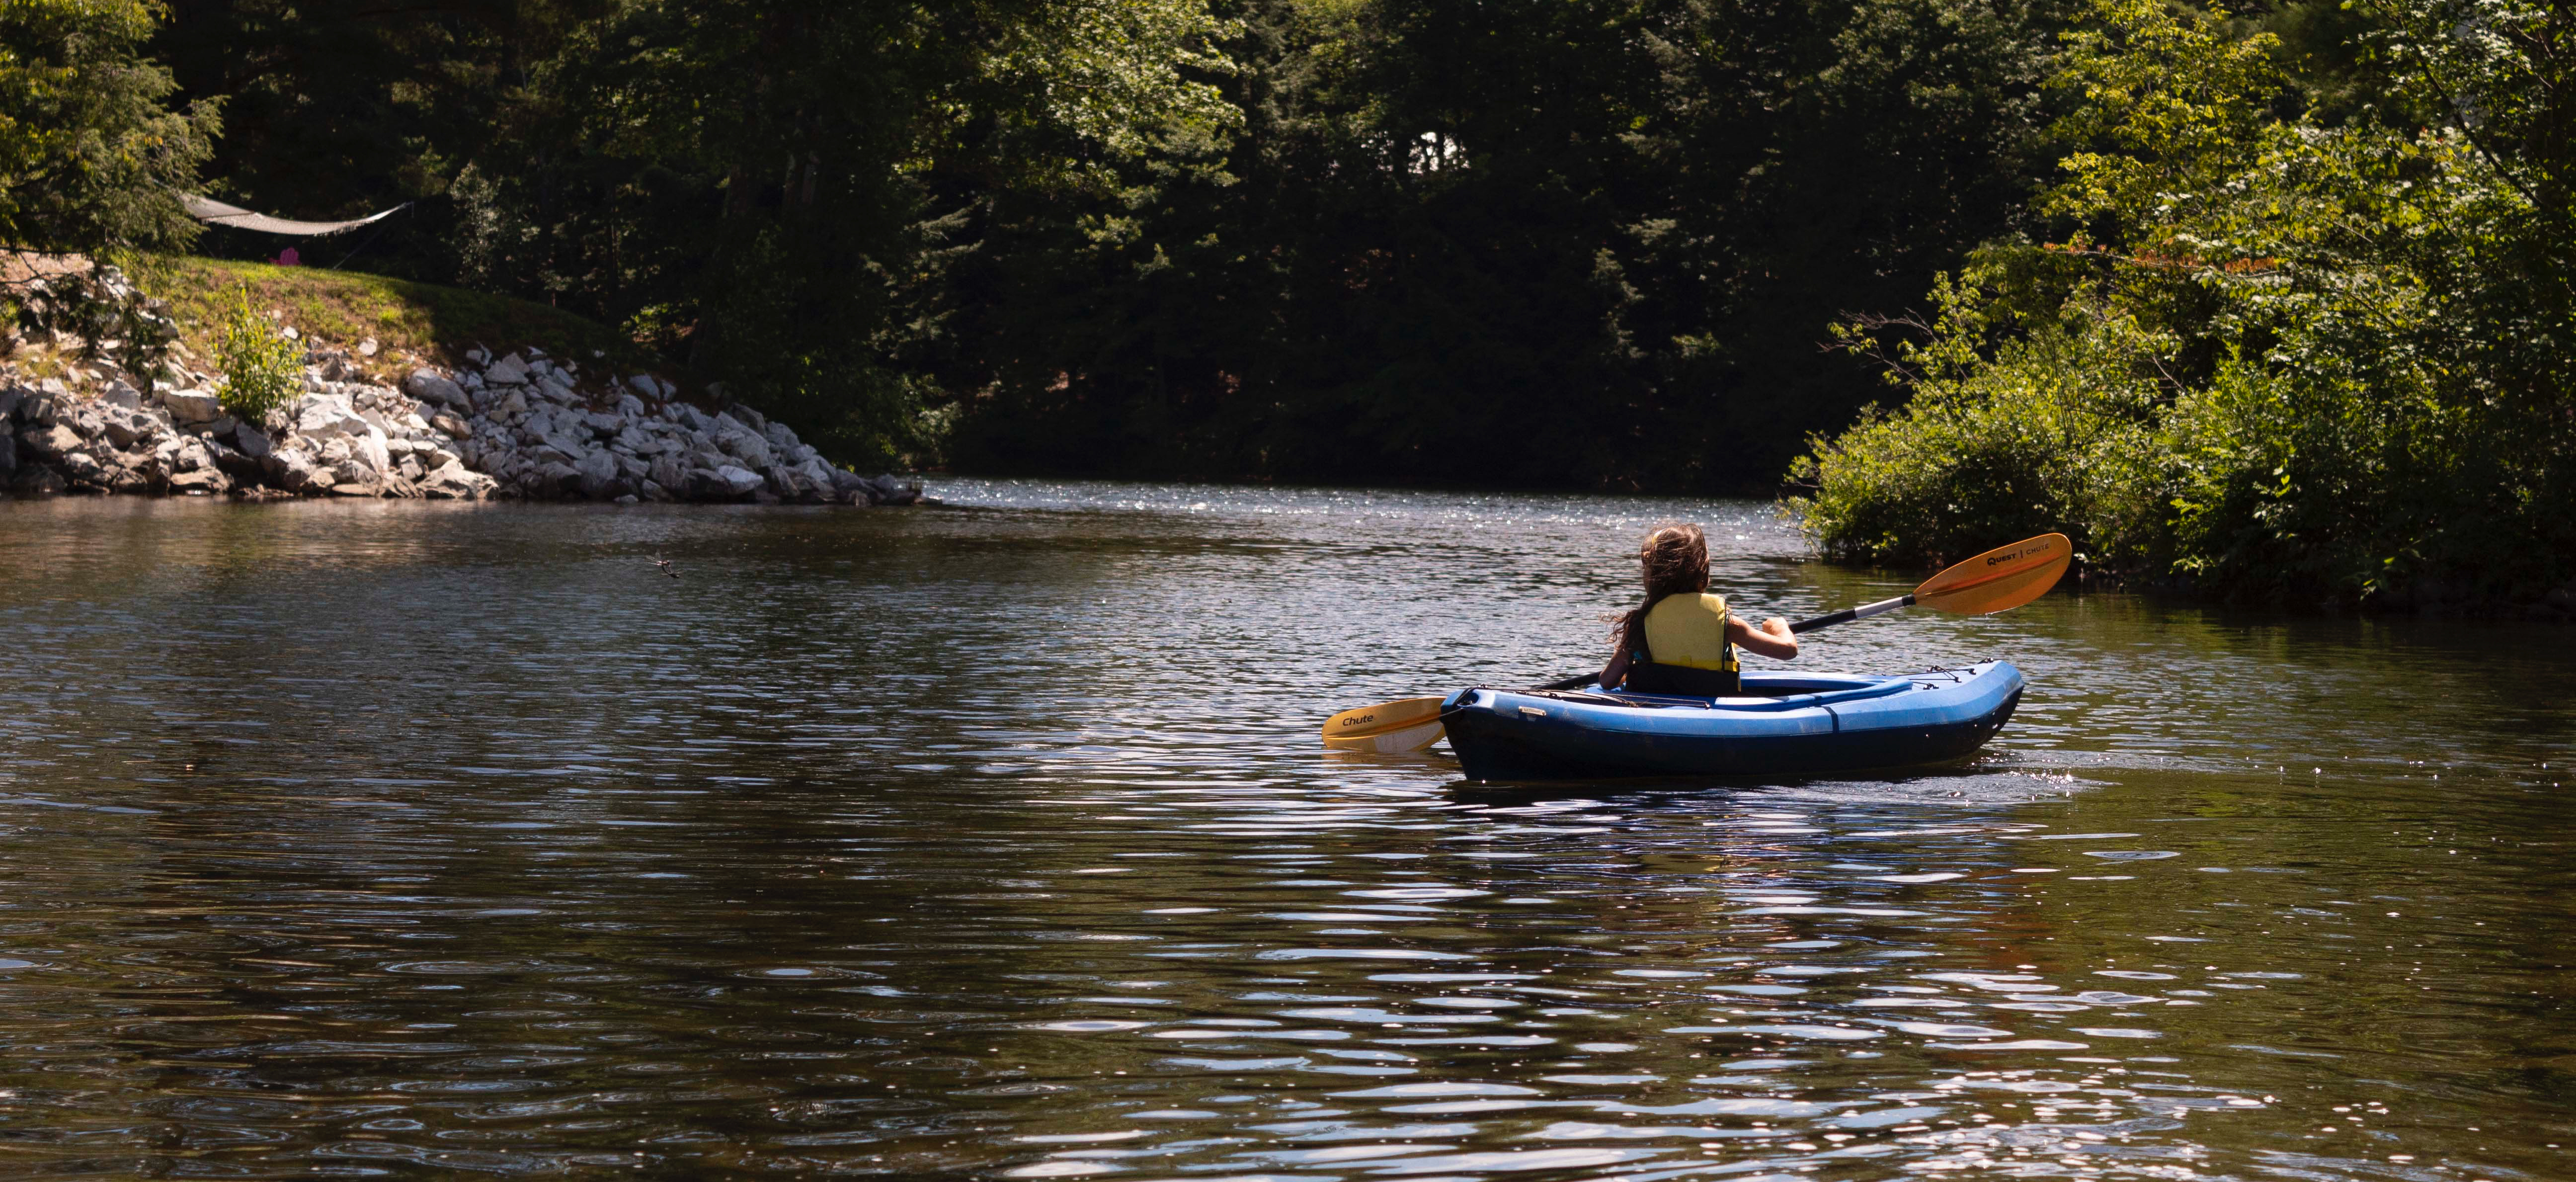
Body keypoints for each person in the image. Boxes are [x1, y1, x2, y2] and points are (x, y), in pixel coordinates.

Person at [1599, 523, 1796, 695]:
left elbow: (1607, 681)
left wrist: (1629, 672)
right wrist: (1780, 627)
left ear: (1653, 577)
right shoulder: (1726, 624)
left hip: (1655, 712)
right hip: (1709, 715)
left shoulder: (1640, 624)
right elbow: (1788, 650)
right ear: (1703, 574)